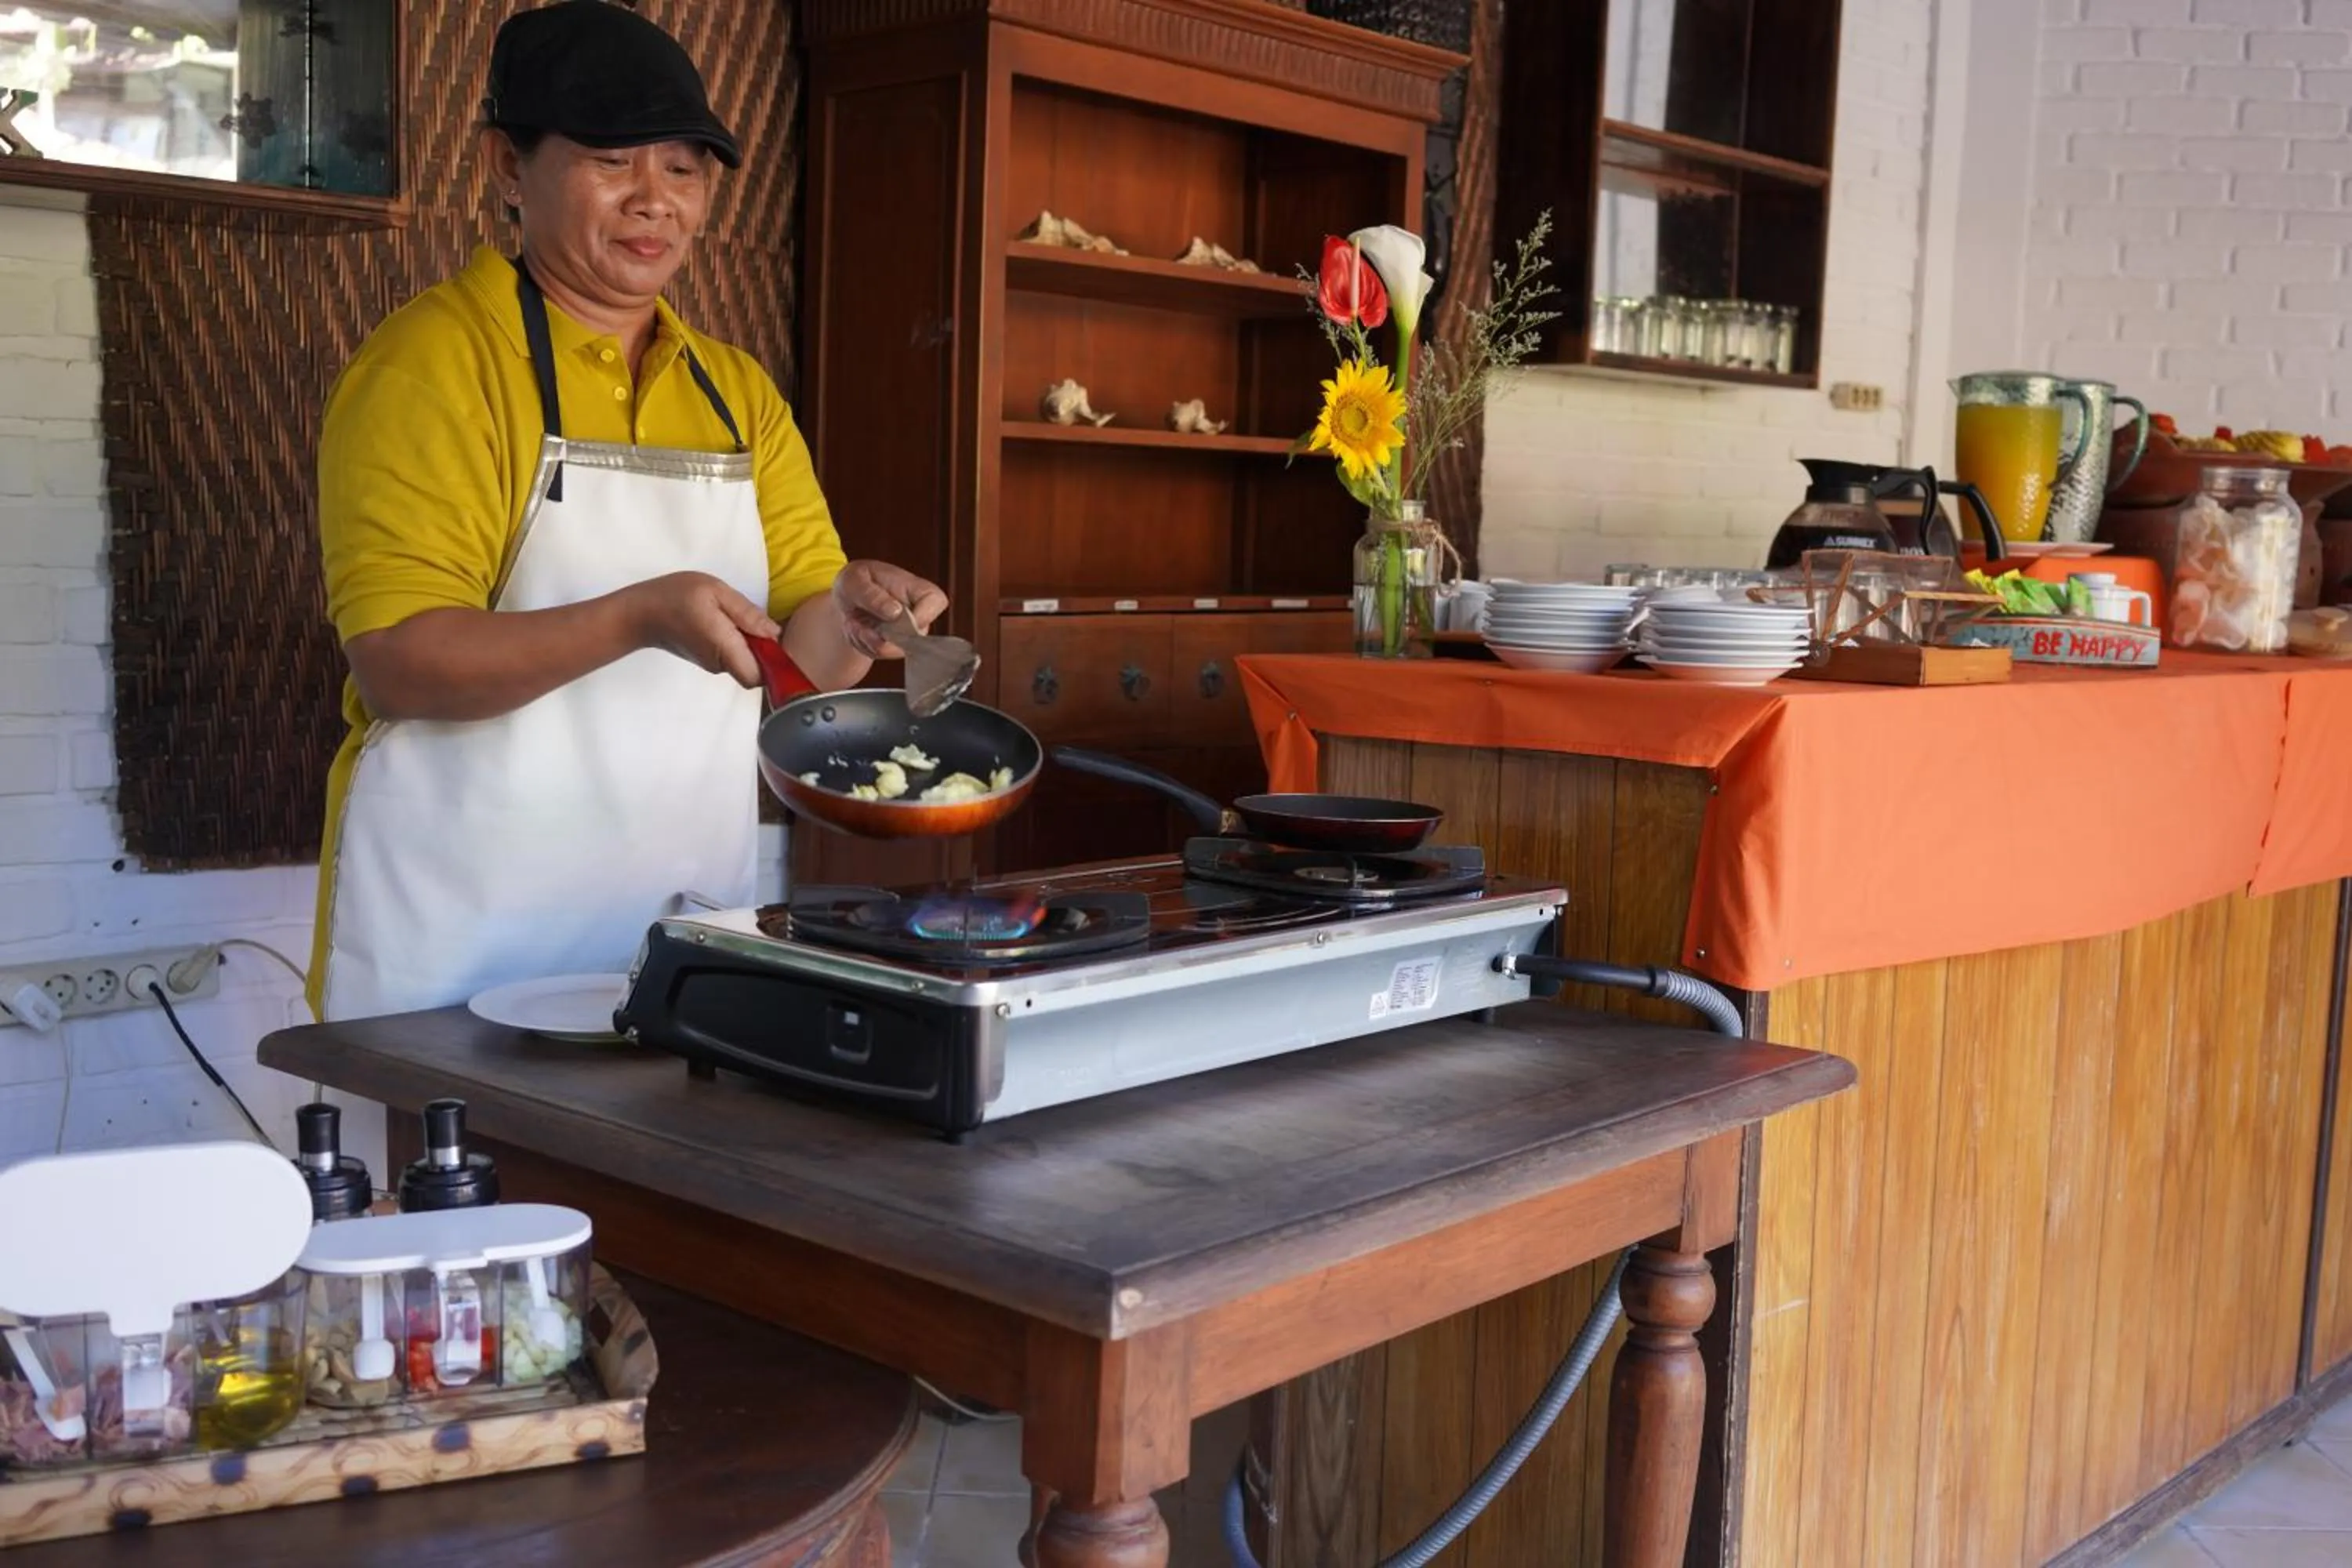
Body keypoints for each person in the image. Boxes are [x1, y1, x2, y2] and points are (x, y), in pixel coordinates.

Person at [306, 0, 945, 1022]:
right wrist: (639, 616)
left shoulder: (735, 391)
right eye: (613, 159)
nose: (657, 200)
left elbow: (810, 664)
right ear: (506, 168)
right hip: (459, 940)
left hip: (679, 926)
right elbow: (399, 663)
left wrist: (859, 607)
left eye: (684, 168)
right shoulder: (433, 366)